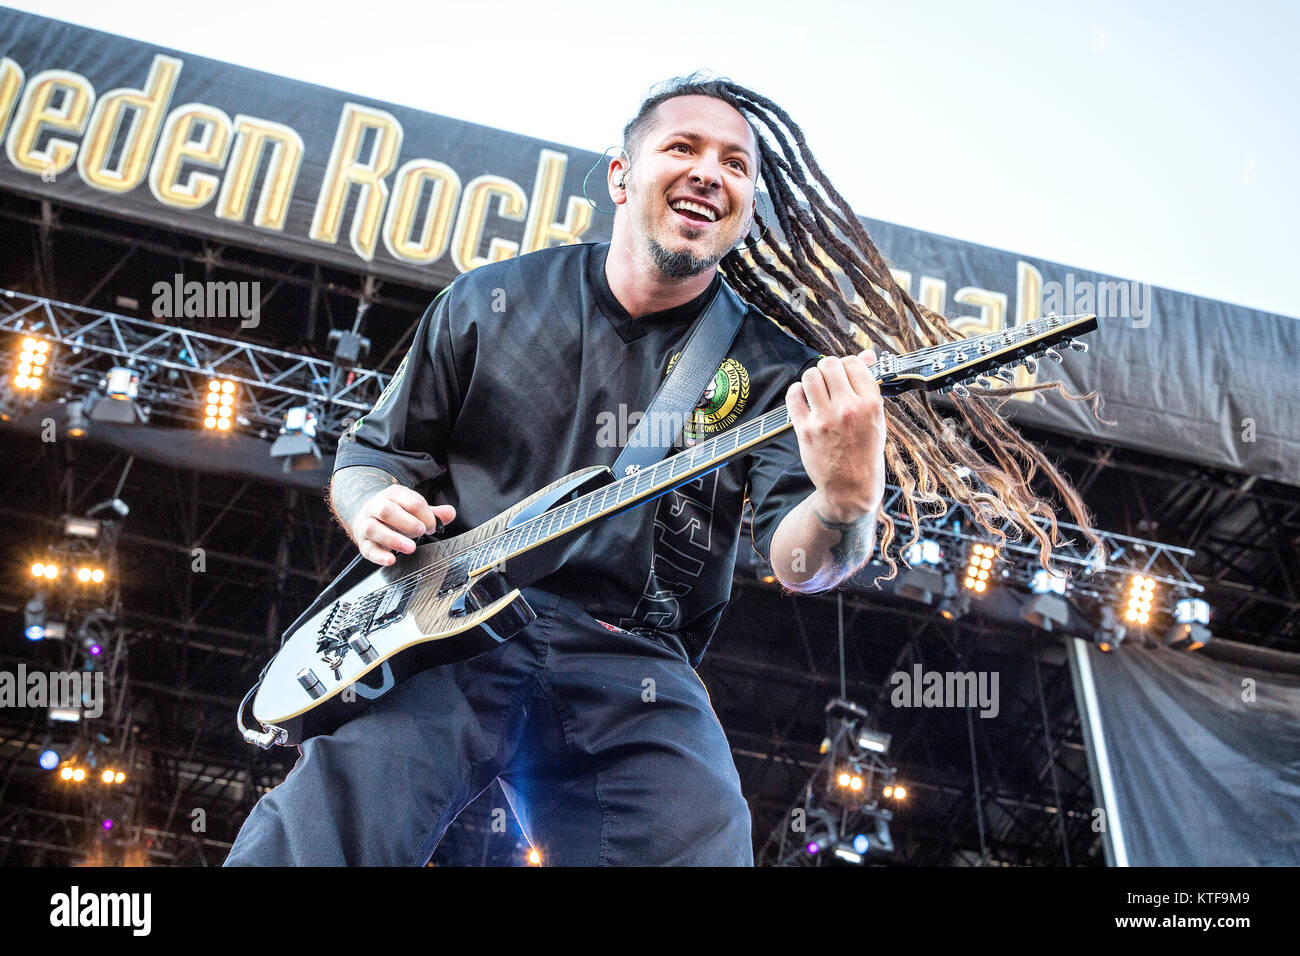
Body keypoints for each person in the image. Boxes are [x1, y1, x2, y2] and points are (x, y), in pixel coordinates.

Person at [225, 74, 1094, 867]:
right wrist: (372, 502)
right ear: (619, 175)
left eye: (736, 164)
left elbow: (802, 563)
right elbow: (374, 454)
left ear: (748, 206)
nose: (710, 172)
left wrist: (844, 499)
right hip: (447, 631)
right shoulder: (491, 300)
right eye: (683, 148)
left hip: (631, 659)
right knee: (317, 833)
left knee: (700, 837)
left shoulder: (773, 370)